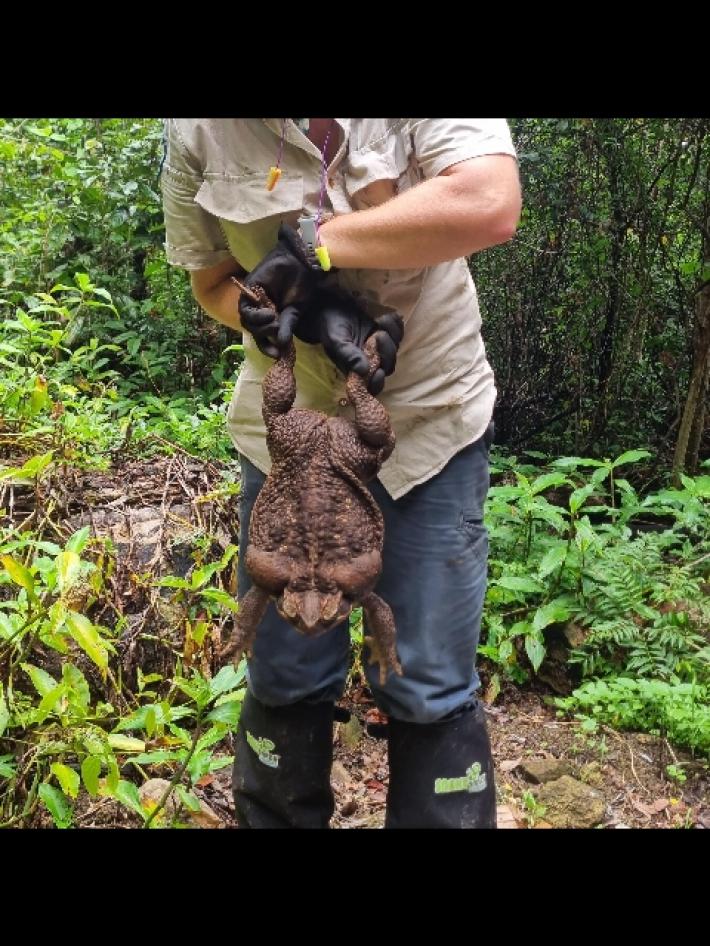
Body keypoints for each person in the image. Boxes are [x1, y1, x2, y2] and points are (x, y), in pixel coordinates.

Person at [161, 118, 521, 829]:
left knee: (426, 678)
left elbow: (489, 201)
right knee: (284, 675)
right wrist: (270, 314)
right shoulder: (197, 130)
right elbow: (211, 283)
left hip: (427, 420)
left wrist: (315, 246)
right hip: (288, 439)